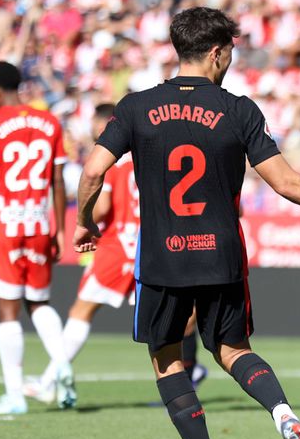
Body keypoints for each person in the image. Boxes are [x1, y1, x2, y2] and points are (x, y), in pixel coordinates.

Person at [73, 7, 300, 439]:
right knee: (233, 350)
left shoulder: (136, 106)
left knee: (167, 360)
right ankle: (282, 413)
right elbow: (287, 183)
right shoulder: (238, 109)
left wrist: (84, 220)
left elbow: (93, 172)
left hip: (163, 256)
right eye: (230, 52)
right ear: (216, 52)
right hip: (221, 253)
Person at [24, 103, 207, 403]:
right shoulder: (157, 155)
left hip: (119, 246)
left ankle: (49, 380)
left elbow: (103, 207)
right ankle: (188, 374)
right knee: (178, 316)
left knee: (82, 311)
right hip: (154, 246)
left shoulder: (113, 160)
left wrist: (84, 215)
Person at [0, 61, 76, 415]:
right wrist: (60, 229)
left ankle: (14, 396)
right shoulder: (49, 121)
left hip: (5, 225)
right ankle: (62, 364)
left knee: (8, 309)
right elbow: (58, 180)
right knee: (38, 302)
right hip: (40, 224)